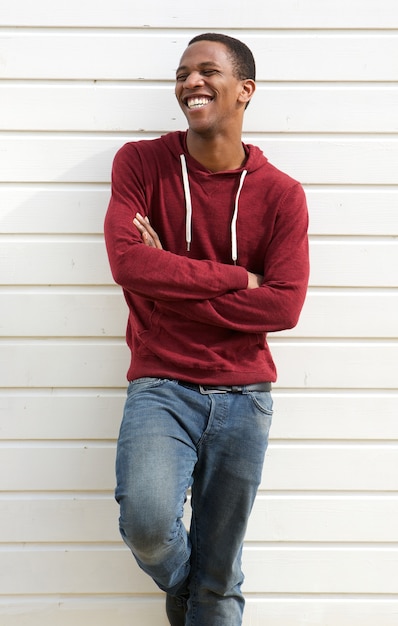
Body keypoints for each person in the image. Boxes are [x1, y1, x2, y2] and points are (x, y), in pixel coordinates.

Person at [104, 32, 309, 626]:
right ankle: (197, 588)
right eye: (182, 72)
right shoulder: (141, 164)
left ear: (245, 90)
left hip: (246, 396)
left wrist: (170, 284)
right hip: (161, 384)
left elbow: (284, 306)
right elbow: (128, 263)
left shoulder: (282, 195)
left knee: (222, 581)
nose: (190, 82)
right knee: (147, 526)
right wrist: (237, 280)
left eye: (207, 71)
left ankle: (207, 594)